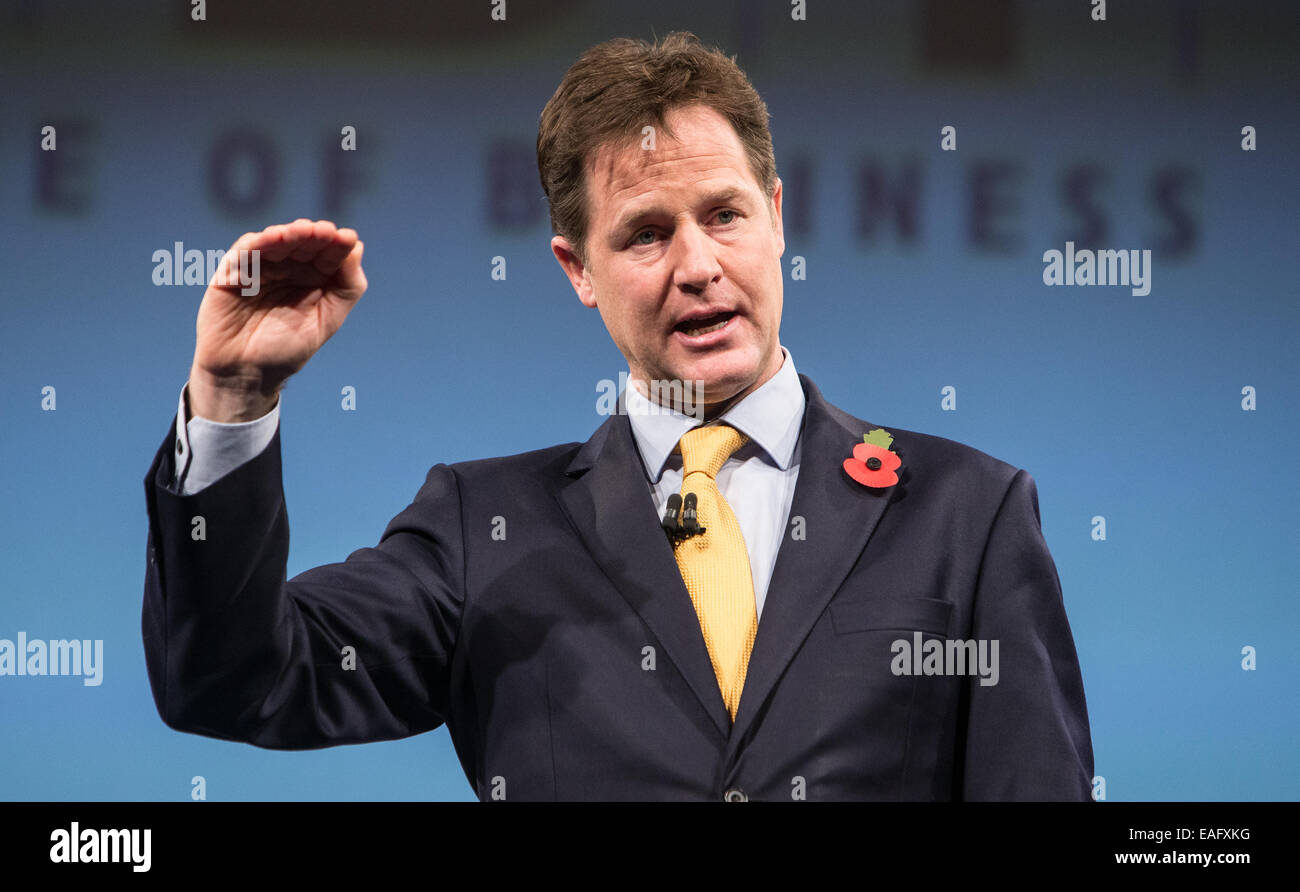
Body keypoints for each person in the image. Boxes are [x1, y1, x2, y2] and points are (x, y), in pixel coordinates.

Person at [142, 31, 1094, 801]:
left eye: (723, 215)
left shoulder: (967, 514)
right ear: (578, 271)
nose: (697, 266)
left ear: (775, 217)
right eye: (646, 232)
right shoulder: (488, 529)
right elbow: (237, 682)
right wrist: (232, 398)